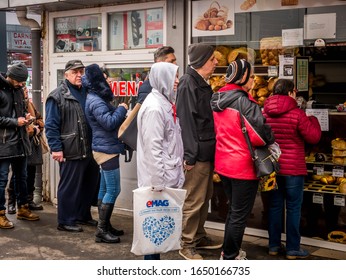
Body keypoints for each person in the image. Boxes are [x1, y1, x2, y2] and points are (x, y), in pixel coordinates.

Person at [210, 58, 275, 260]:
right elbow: (260, 135)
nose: (254, 80)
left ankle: (229, 252)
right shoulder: (244, 102)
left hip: (223, 164)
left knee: (234, 211)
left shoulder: (217, 99)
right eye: (251, 76)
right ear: (244, 77)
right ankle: (229, 257)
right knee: (239, 215)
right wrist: (270, 135)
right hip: (243, 166)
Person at [262, 78, 322, 259]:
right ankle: (293, 249)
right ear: (290, 93)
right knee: (294, 208)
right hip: (293, 169)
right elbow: (313, 137)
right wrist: (312, 119)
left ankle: (273, 245)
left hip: (272, 166)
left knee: (274, 206)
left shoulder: (264, 112)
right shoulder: (297, 114)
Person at [175, 43, 221, 260]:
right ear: (203, 61)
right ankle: (186, 243)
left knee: (205, 197)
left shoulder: (201, 82)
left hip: (207, 150)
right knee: (194, 200)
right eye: (213, 59)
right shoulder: (188, 83)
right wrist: (190, 156)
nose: (216, 62)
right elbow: (186, 122)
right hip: (197, 153)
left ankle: (198, 236)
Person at [136, 61, 184, 260]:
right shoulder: (155, 108)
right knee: (153, 235)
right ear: (161, 78)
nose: (177, 81)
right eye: (173, 76)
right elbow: (153, 148)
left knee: (158, 233)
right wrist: (158, 184)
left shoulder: (164, 103)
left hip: (165, 176)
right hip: (158, 182)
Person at [45, 59, 100, 232]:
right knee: (69, 186)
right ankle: (65, 220)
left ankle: (82, 215)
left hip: (90, 148)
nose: (79, 75)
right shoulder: (57, 96)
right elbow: (51, 125)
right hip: (70, 148)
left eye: (81, 72)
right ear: (66, 74)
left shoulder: (87, 91)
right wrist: (56, 148)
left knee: (88, 185)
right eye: (75, 72)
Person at [84, 64, 128, 243]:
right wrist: (122, 109)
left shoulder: (95, 98)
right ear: (97, 81)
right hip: (105, 150)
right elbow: (109, 123)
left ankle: (105, 225)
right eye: (104, 77)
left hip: (105, 147)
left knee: (104, 188)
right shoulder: (95, 101)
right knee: (114, 189)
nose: (108, 80)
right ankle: (101, 231)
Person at [0, 63, 40, 229]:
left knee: (21, 177)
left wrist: (26, 116)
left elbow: (19, 111)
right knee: (1, 180)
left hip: (20, 142)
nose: (22, 84)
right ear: (10, 77)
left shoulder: (18, 90)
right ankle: (1, 214)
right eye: (19, 81)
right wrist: (16, 121)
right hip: (3, 143)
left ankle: (22, 208)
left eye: (23, 82)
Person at [7, 85, 45, 214]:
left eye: (27, 91)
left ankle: (29, 200)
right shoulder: (13, 105)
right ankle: (12, 203)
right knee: (17, 175)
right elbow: (16, 125)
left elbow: (40, 119)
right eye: (24, 91)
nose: (25, 93)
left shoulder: (30, 104)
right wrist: (32, 128)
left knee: (31, 172)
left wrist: (37, 124)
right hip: (18, 144)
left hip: (32, 144)